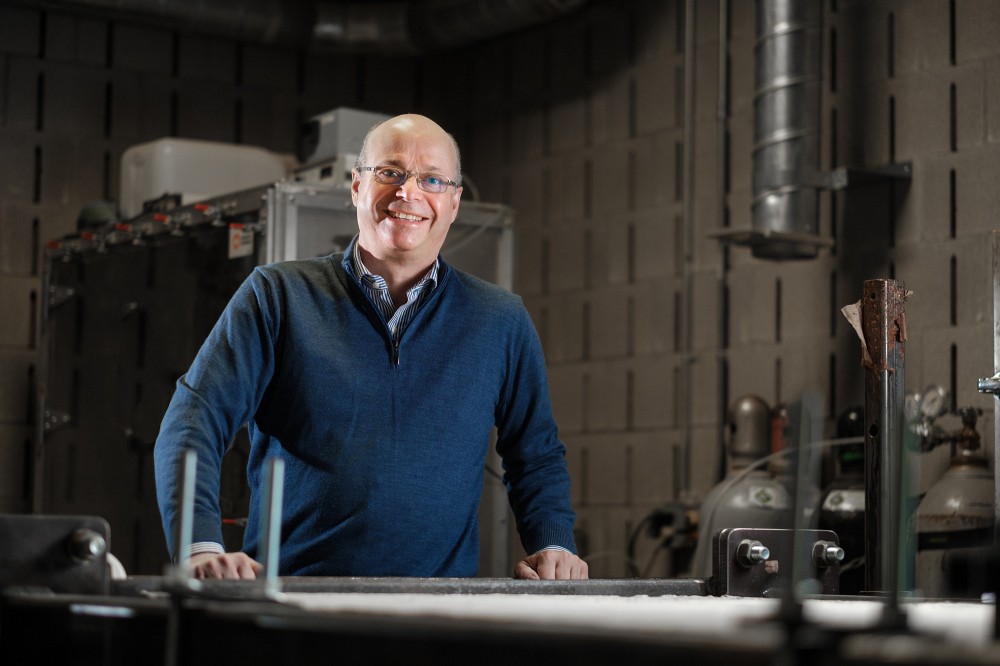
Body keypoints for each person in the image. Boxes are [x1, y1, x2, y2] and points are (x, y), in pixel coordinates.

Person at [153, 113, 588, 581]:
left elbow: (536, 454)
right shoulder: (278, 297)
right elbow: (192, 422)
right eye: (390, 173)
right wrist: (198, 545)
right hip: (294, 605)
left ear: (455, 202)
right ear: (357, 186)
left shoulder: (500, 320)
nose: (408, 192)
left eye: (433, 179)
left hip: (437, 616)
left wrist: (553, 543)